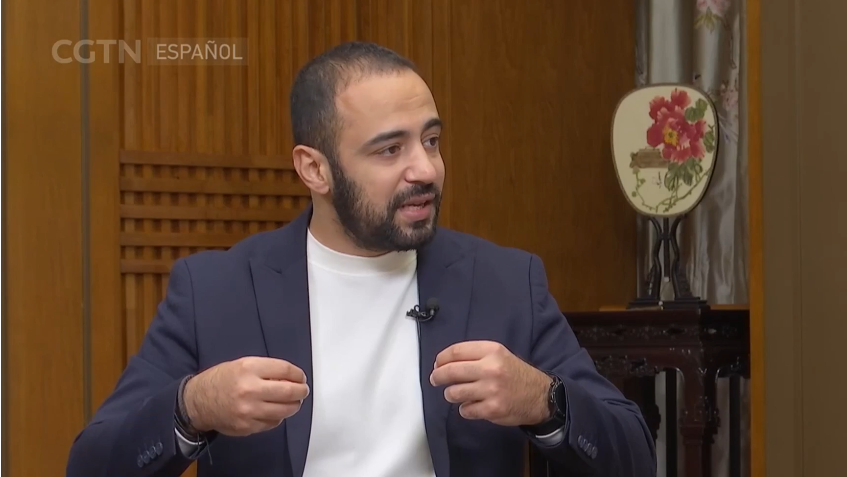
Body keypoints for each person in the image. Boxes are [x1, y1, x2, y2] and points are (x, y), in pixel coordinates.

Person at [66, 41, 656, 477]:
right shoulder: (216, 289)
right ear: (315, 169)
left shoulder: (505, 280)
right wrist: (192, 408)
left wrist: (545, 401)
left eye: (431, 140)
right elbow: (93, 464)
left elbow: (633, 456)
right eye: (389, 149)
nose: (425, 169)